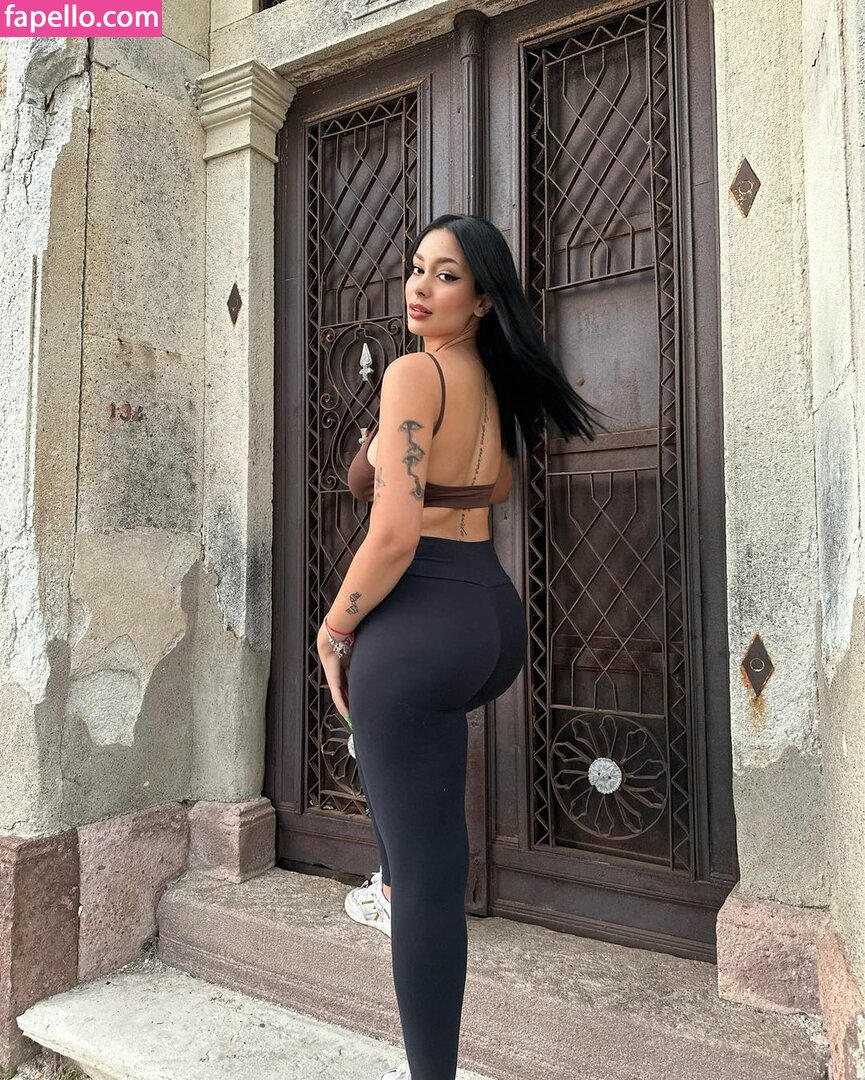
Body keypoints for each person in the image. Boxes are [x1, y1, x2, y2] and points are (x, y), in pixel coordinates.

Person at [315, 213, 609, 1080]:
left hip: (419, 624)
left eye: (445, 275)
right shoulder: (488, 379)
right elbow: (485, 483)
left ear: (481, 299)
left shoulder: (413, 373)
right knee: (417, 837)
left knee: (431, 880)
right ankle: (391, 880)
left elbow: (394, 531)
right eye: (417, 268)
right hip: (487, 617)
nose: (419, 286)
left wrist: (334, 628)